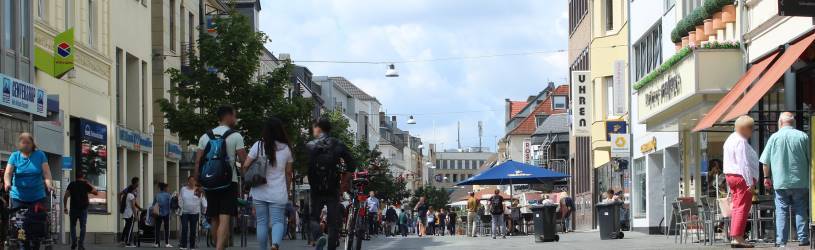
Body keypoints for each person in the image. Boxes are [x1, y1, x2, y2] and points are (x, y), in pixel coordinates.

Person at [194, 105, 246, 250]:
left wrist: (198, 183)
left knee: (214, 218)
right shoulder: (236, 136)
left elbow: (198, 161)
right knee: (225, 218)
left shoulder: (205, 136)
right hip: (229, 182)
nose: (235, 119)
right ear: (228, 116)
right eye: (234, 116)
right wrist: (247, 177)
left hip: (209, 182)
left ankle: (218, 247)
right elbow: (243, 160)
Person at [242, 117, 295, 250]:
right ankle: (275, 244)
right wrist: (287, 190)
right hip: (278, 191)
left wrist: (249, 176)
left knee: (261, 222)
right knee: (278, 221)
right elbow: (289, 174)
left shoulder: (258, 145)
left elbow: (245, 165)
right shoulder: (287, 149)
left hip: (260, 190)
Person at [760, 112, 811, 247]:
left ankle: (781, 241)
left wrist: (766, 178)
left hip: (780, 182)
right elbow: (811, 159)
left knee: (781, 211)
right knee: (800, 209)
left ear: (780, 122)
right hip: (800, 181)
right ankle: (803, 238)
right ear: (792, 122)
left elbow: (765, 161)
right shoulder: (803, 136)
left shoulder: (774, 138)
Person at [306, 118, 355, 250]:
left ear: (318, 128)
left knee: (313, 218)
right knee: (333, 222)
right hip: (333, 187)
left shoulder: (310, 145)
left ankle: (318, 236)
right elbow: (352, 164)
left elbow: (307, 166)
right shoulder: (338, 144)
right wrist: (344, 181)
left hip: (316, 188)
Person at [3, 133, 54, 249]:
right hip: (18, 197)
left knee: (36, 226)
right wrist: (7, 183)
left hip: (37, 196)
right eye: (23, 142)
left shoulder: (40, 155)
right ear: (19, 144)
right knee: (19, 226)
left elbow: (46, 173)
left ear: (32, 144)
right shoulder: (14, 156)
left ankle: (35, 243)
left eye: (28, 142)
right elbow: (8, 173)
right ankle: (22, 244)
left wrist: (49, 185)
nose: (25, 145)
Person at [723, 115, 759, 248]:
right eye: (752, 129)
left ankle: (735, 236)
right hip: (741, 177)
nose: (752, 132)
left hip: (731, 176)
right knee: (743, 207)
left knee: (737, 207)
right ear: (745, 129)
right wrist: (750, 183)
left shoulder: (730, 139)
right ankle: (738, 238)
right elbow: (744, 164)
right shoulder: (741, 141)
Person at [63, 172, 98, 250]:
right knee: (83, 226)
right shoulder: (85, 184)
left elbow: (66, 196)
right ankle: (81, 244)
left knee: (72, 226)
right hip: (83, 209)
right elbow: (96, 192)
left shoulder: (72, 184)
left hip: (73, 208)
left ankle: (74, 242)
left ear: (76, 177)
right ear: (83, 177)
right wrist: (89, 183)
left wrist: (65, 207)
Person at [179, 176, 202, 250]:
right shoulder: (183, 189)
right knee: (184, 228)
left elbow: (201, 200)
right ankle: (184, 245)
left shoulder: (198, 190)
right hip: (184, 212)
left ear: (195, 182)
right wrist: (180, 207)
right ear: (188, 181)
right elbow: (180, 198)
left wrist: (204, 210)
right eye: (190, 180)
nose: (192, 182)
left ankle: (192, 246)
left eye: (193, 180)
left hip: (194, 213)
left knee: (193, 230)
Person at [121, 178, 141, 247]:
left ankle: (123, 240)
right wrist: (136, 216)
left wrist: (139, 208)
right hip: (130, 214)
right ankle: (128, 242)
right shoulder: (132, 196)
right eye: (135, 190)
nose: (136, 191)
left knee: (127, 227)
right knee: (130, 229)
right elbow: (133, 206)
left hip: (126, 213)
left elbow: (133, 204)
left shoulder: (128, 195)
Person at [152, 182, 172, 248]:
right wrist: (170, 213)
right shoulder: (168, 195)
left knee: (157, 228)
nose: (168, 188)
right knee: (166, 228)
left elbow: (153, 204)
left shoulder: (157, 195)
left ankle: (157, 243)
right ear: (165, 188)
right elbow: (170, 205)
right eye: (167, 187)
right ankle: (167, 243)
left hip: (158, 213)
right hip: (166, 213)